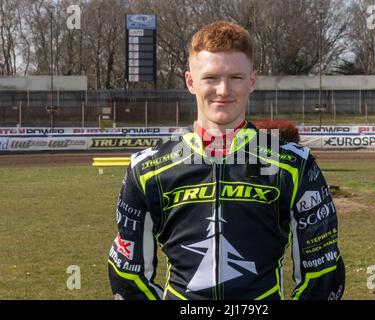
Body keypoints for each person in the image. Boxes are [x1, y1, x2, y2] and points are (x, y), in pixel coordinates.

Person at [107, 21, 345, 300]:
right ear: (190, 82)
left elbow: (323, 273)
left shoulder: (294, 165)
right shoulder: (148, 169)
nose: (223, 90)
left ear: (252, 81)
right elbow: (126, 275)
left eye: (236, 77)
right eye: (211, 78)